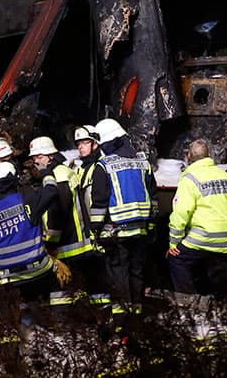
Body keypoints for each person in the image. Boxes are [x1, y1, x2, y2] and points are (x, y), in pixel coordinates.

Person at [0, 160, 60, 350]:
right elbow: (52, 191)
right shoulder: (27, 199)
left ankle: (3, 350)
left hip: (8, 279)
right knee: (58, 285)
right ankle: (59, 329)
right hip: (38, 272)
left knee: (3, 311)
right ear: (14, 179)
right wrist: (46, 172)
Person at [28, 134, 102, 315]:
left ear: (49, 156)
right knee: (81, 288)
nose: (35, 162)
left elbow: (57, 210)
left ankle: (64, 327)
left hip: (68, 244)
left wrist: (51, 242)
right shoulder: (58, 172)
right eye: (33, 159)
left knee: (60, 290)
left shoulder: (59, 174)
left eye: (38, 158)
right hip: (73, 243)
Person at [91, 117, 157, 322]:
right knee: (137, 272)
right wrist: (152, 224)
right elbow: (153, 196)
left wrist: (95, 229)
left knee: (119, 275)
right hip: (141, 231)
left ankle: (122, 322)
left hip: (116, 232)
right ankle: (137, 317)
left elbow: (100, 201)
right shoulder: (143, 162)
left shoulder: (104, 165)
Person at [166, 139, 227, 299]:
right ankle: (223, 309)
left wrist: (174, 243)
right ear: (209, 156)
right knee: (220, 279)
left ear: (189, 156)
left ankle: (188, 305)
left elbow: (180, 213)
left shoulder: (190, 179)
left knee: (176, 259)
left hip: (202, 239)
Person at [75, 125, 112, 312]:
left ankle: (105, 313)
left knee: (102, 273)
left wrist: (96, 228)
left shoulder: (99, 167)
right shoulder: (82, 169)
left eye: (85, 143)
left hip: (100, 230)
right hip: (89, 231)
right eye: (79, 144)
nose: (81, 147)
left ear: (95, 144)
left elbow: (99, 200)